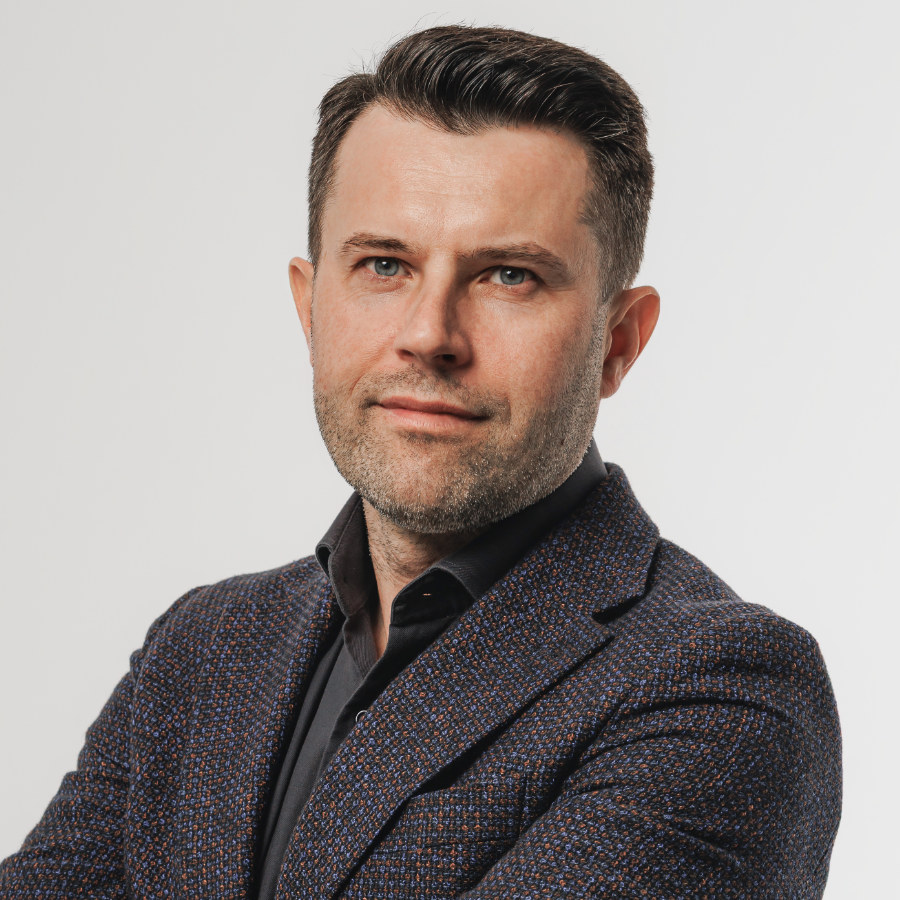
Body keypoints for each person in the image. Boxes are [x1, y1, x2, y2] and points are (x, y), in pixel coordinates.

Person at [0, 24, 841, 900]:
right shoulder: (204, 649)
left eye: (509, 276)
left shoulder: (721, 689)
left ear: (618, 342)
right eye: (384, 264)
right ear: (310, 308)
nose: (430, 335)